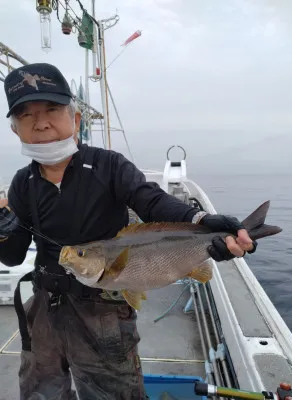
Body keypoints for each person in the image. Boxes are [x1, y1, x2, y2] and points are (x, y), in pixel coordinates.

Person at [0, 63, 257, 400]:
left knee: (112, 394)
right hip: (43, 309)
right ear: (15, 129)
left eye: (51, 109)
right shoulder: (22, 183)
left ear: (75, 119)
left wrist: (200, 220)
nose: (41, 121)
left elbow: (151, 201)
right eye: (26, 114)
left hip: (104, 309)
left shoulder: (109, 166)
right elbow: (12, 253)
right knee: (40, 393)